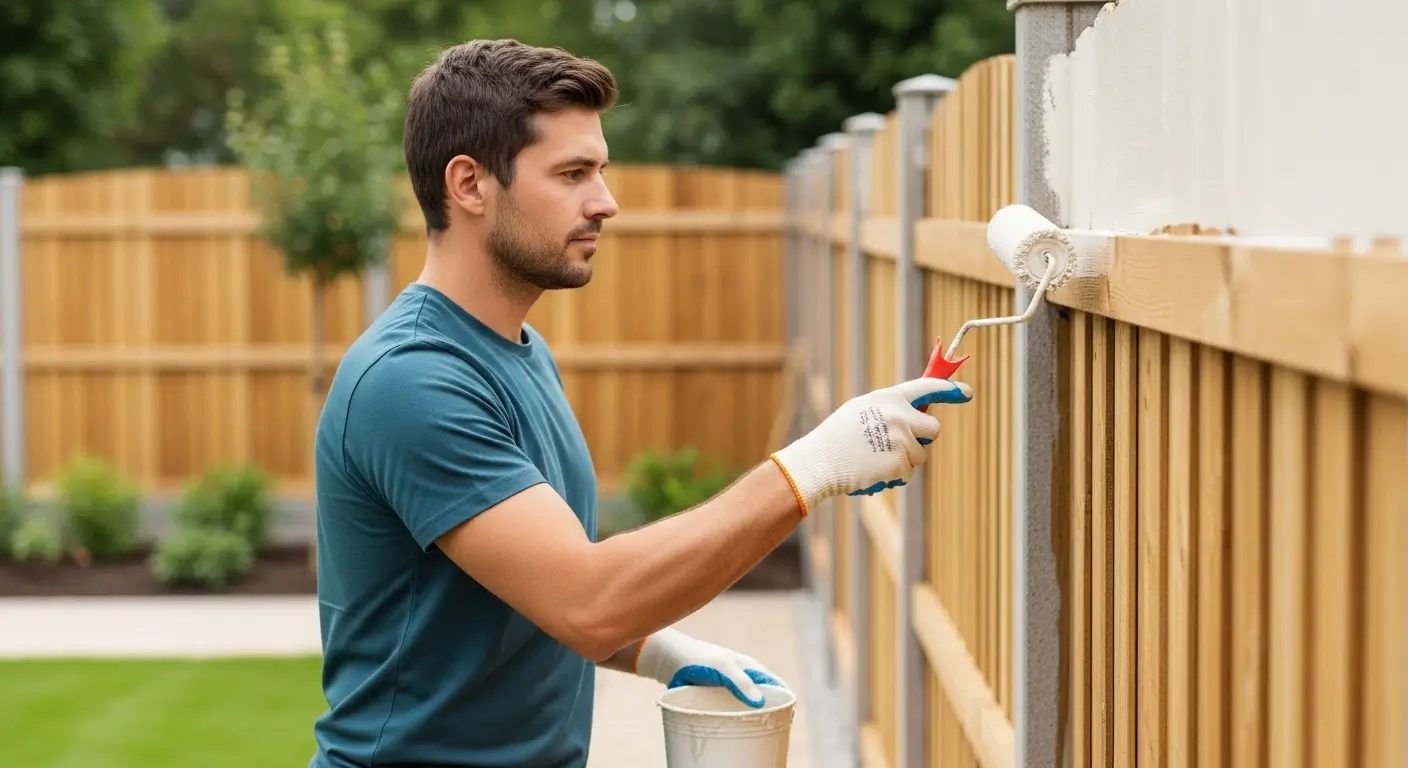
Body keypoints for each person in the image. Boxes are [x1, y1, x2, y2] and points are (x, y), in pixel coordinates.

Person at [307, 38, 973, 768]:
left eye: (600, 170)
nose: (605, 201)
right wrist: (810, 467)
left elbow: (533, 586)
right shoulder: (413, 381)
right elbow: (586, 603)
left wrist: (661, 652)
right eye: (572, 173)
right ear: (469, 184)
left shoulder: (516, 352)